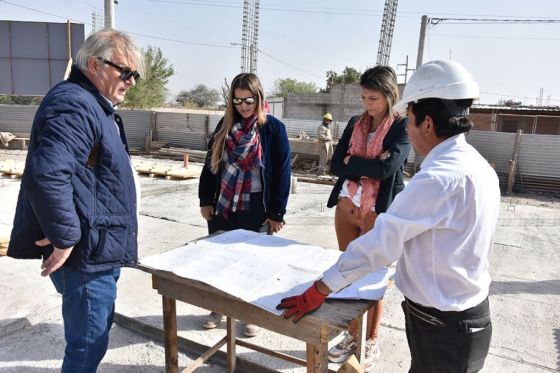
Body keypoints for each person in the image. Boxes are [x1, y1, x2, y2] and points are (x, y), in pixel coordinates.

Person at [277, 59, 500, 373]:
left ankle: (367, 339)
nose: (406, 128)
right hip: (465, 318)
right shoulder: (478, 166)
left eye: (409, 120)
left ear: (427, 124)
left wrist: (320, 289)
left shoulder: (437, 178)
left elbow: (380, 244)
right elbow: (342, 166)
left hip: (441, 325)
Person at [7, 29, 142, 373]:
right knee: (86, 346)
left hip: (98, 248)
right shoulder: (76, 103)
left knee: (92, 337)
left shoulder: (94, 104)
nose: (131, 81)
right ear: (94, 64)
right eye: (125, 72)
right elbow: (48, 174)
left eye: (134, 75)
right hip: (86, 256)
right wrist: (65, 236)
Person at [325, 66, 410, 371]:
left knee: (372, 279)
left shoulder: (402, 127)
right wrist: (367, 163)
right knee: (348, 273)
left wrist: (354, 162)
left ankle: (370, 340)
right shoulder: (353, 123)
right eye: (363, 97)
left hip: (376, 214)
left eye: (373, 97)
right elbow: (336, 164)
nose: (367, 103)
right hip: (347, 210)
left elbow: (387, 170)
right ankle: (351, 334)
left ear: (389, 96)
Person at [198, 72, 291, 337]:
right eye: (237, 101)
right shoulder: (224, 127)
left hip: (256, 207)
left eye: (248, 99)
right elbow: (211, 164)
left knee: (253, 263)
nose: (244, 106)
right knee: (218, 260)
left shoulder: (273, 129)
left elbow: (283, 173)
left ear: (259, 97)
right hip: (223, 205)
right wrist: (205, 199)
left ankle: (250, 312)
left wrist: (277, 213)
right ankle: (218, 307)